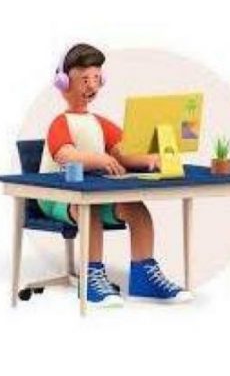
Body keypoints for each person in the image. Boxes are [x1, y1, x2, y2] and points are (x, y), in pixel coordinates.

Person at [38, 43, 192, 307]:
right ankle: (92, 278)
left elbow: (124, 152)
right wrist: (99, 159)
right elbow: (65, 155)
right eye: (84, 79)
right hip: (56, 196)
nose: (91, 85)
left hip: (94, 192)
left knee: (137, 210)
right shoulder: (60, 123)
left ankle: (143, 276)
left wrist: (150, 159)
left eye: (96, 78)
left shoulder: (99, 123)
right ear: (63, 82)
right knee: (89, 209)